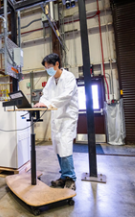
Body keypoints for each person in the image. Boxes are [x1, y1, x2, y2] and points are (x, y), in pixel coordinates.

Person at [34, 53, 78, 190]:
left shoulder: (69, 77)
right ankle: (64, 176)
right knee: (58, 148)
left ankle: (71, 178)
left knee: (65, 147)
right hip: (56, 117)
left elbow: (66, 96)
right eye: (46, 68)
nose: (48, 70)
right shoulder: (51, 80)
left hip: (67, 117)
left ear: (57, 64)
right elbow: (45, 96)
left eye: (50, 66)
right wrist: (40, 103)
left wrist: (48, 103)